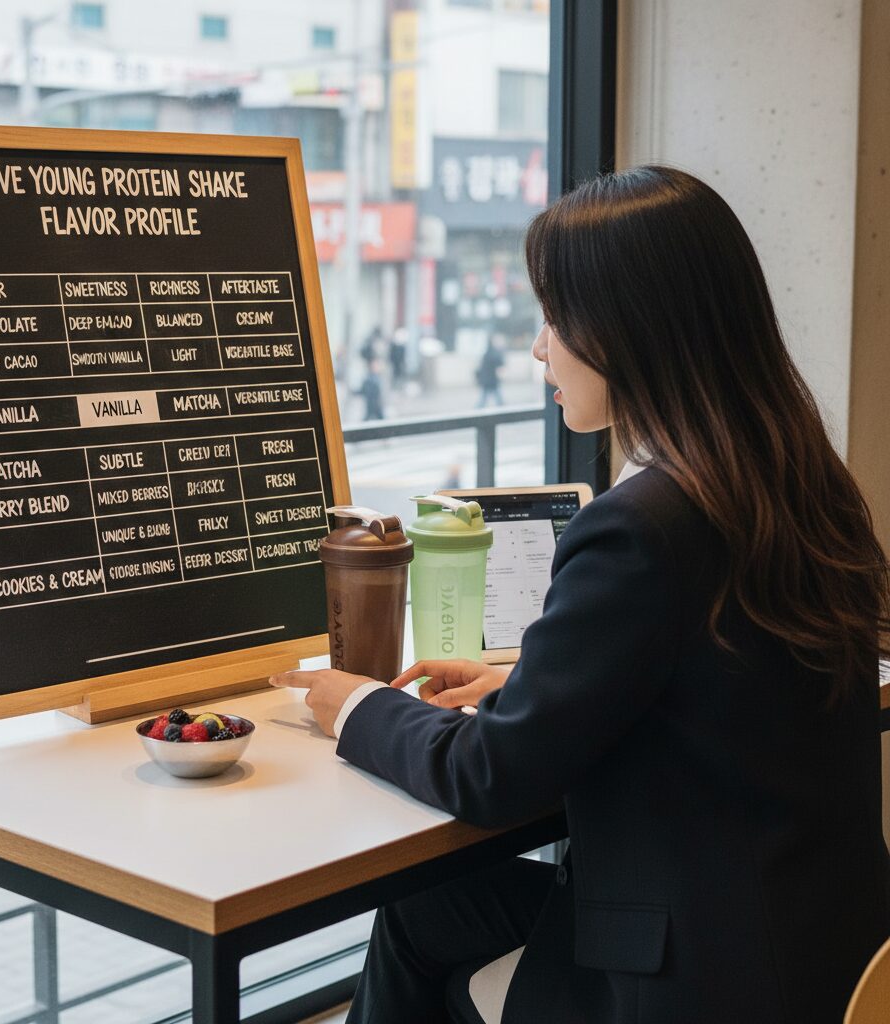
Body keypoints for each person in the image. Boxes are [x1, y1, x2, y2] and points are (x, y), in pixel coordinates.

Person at [272, 166, 890, 1024]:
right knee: (426, 909)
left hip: (693, 985)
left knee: (439, 951)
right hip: (819, 948)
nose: (538, 348)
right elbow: (719, 683)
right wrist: (532, 684)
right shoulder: (800, 485)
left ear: (629, 329)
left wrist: (357, 706)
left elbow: (490, 777)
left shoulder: (642, 526)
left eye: (555, 319)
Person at [475, 335, 505, 407]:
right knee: (488, 398)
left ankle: (477, 410)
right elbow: (500, 362)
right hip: (490, 380)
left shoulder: (488, 352)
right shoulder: (493, 353)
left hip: (488, 380)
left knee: (485, 398)